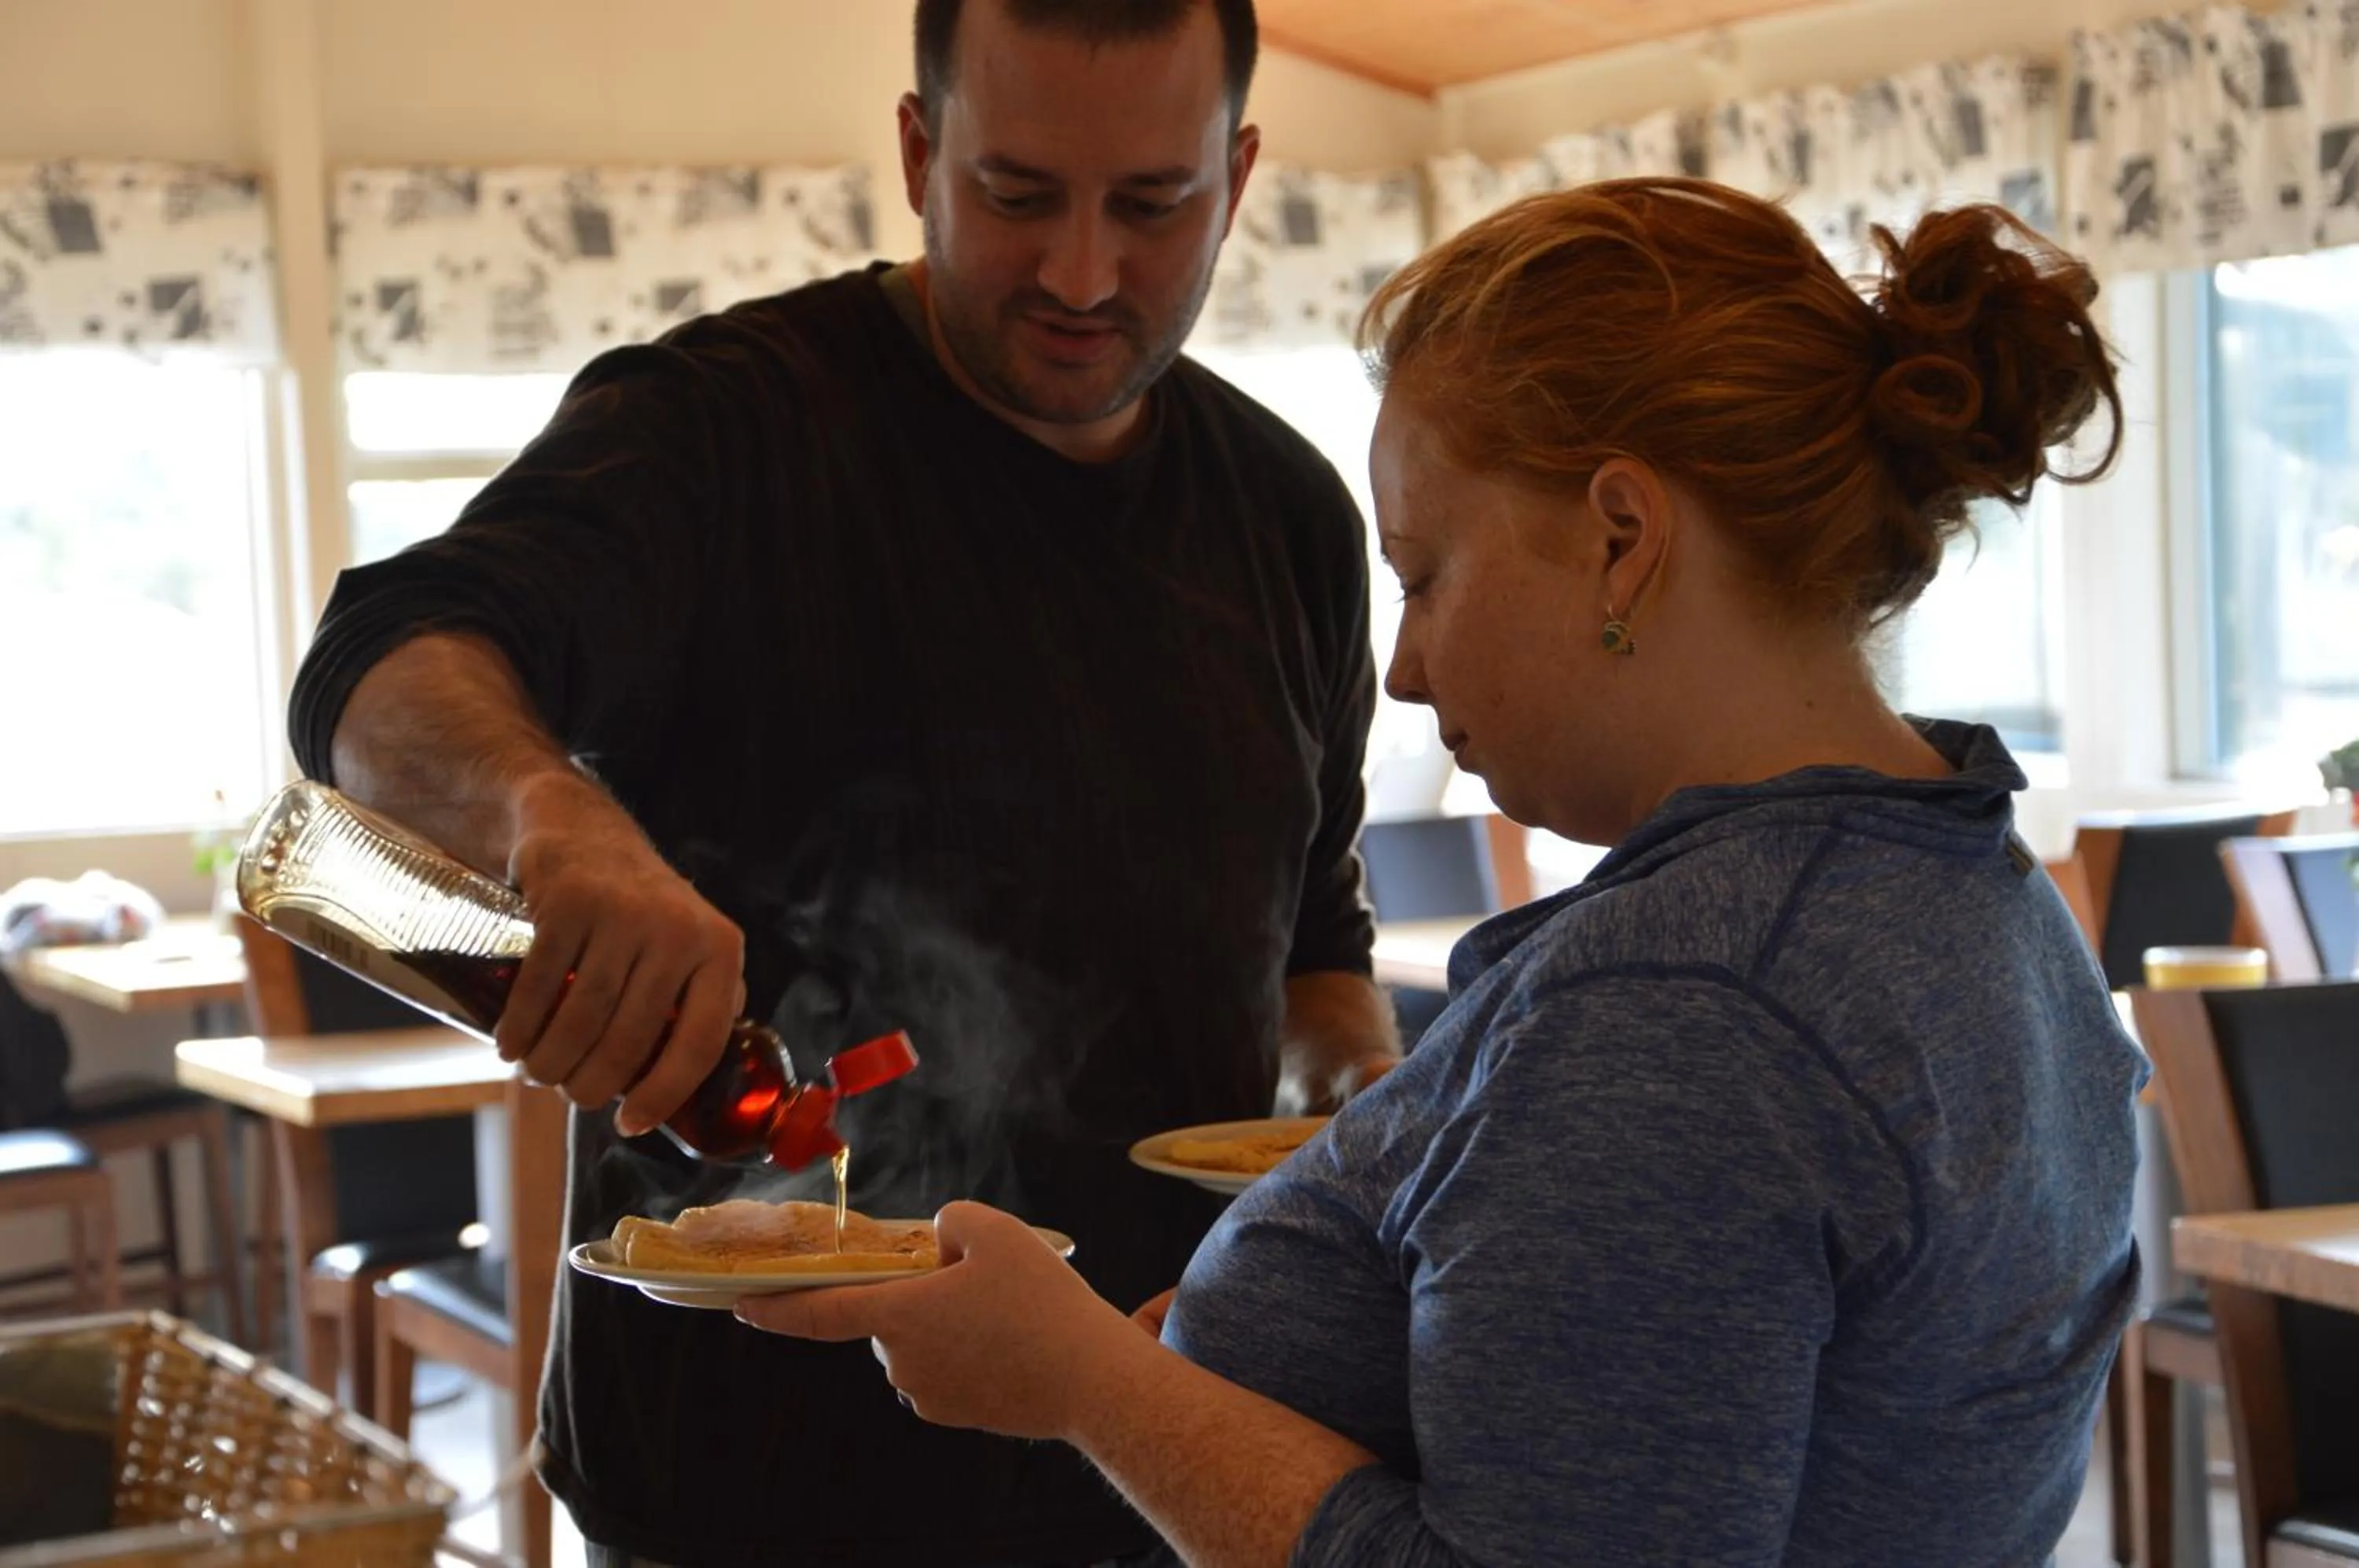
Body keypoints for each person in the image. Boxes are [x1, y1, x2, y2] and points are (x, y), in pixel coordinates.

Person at [742, 179, 2151, 1566]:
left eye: (1422, 574)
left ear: (1621, 537)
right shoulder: (1987, 895)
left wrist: (1091, 1387)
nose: (1405, 670)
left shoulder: (1686, 1007)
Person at [285, 1, 1400, 1562]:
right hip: (746, 1486)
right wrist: (553, 822)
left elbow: (1312, 940)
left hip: (1165, 1456)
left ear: (1240, 171)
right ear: (919, 150)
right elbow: (389, 661)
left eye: (1153, 204)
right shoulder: (720, 428)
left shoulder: (1290, 516)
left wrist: (1365, 1115)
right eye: (1018, 194)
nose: (1085, 272)